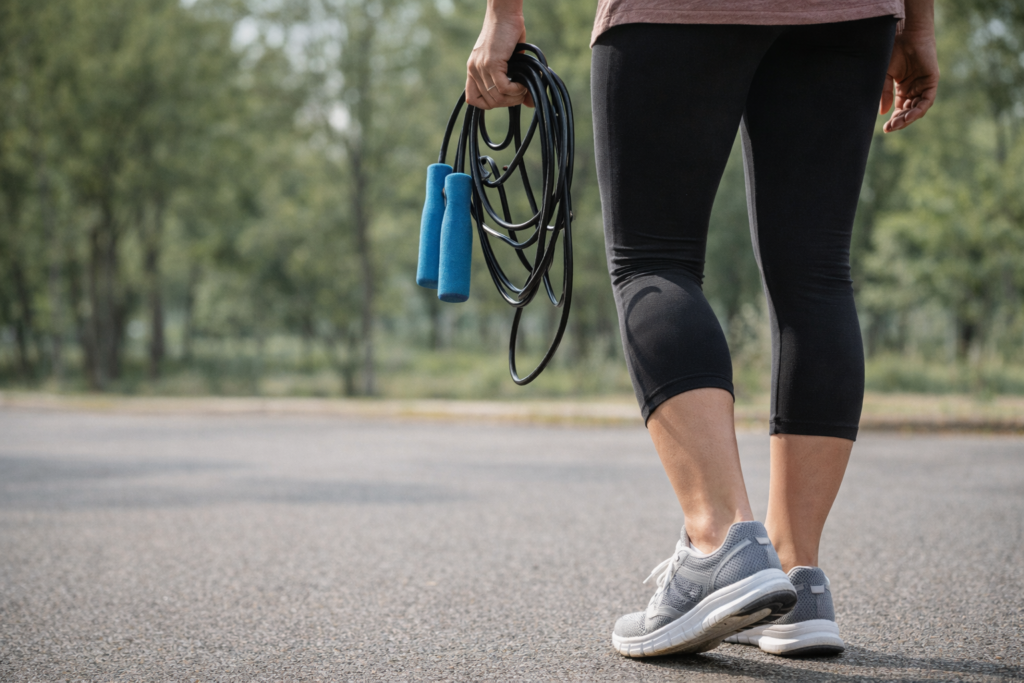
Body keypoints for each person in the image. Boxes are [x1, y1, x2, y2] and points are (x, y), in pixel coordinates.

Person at [466, 0, 939, 658]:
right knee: (817, 275)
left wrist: (502, 15)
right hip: (851, 12)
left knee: (653, 260)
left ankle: (722, 540)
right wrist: (917, 24)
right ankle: (797, 576)